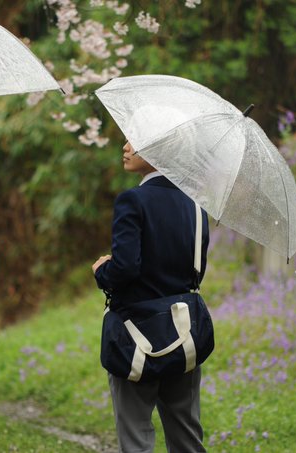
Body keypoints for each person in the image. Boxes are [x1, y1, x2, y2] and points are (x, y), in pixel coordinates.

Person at [92, 140, 209, 453]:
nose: (125, 146)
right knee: (187, 436)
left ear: (161, 149)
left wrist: (102, 270)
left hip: (135, 335)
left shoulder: (132, 201)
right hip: (185, 333)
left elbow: (126, 268)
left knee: (136, 439)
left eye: (136, 141)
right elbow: (196, 271)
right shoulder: (196, 207)